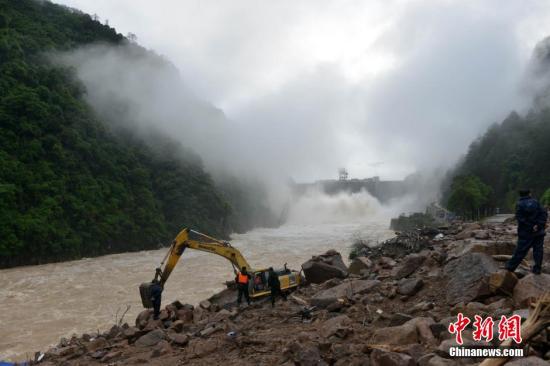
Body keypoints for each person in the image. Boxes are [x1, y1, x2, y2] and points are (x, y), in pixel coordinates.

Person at [506, 189, 548, 275]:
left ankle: (510, 267)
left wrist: (531, 226)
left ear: (520, 195)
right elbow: (544, 213)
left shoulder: (519, 204)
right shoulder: (536, 202)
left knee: (521, 250)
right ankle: (537, 269)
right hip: (539, 231)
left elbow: (520, 219)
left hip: (526, 232)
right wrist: (538, 225)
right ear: (529, 194)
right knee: (538, 250)